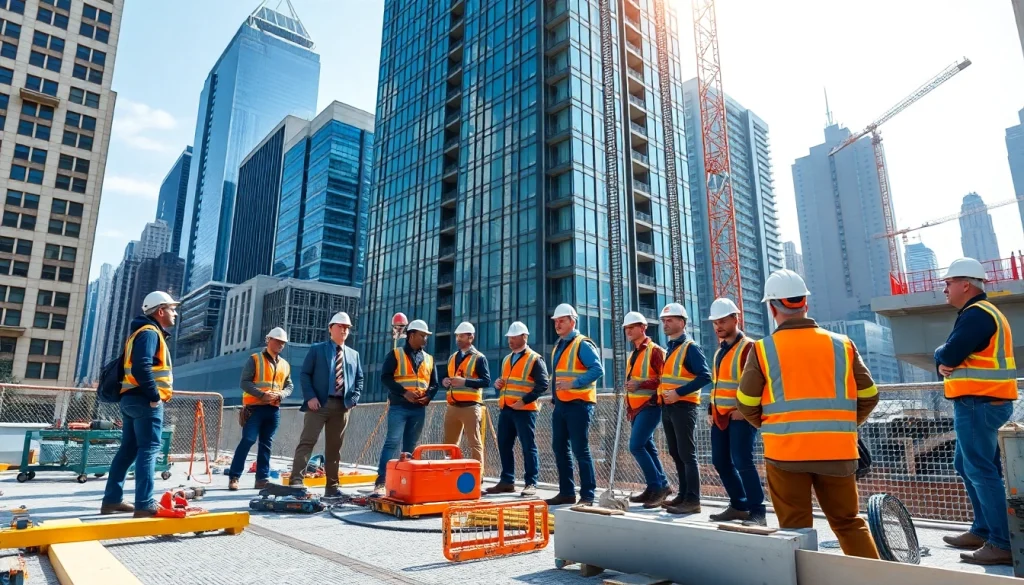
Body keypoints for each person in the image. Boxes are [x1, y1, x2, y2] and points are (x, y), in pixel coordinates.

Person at [737, 269, 880, 559]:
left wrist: (771, 427)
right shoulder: (843, 344)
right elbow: (869, 395)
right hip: (837, 450)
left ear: (772, 307)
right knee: (849, 523)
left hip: (786, 452)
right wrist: (844, 425)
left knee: (794, 529)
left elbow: (746, 401)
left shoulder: (763, 349)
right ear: (805, 304)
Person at [935, 257, 1017, 566]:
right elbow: (951, 355)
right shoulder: (982, 313)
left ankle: (1001, 542)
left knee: (980, 470)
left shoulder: (976, 314)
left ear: (965, 284)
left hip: (978, 403)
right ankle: (983, 529)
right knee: (968, 465)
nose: (944, 288)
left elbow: (950, 352)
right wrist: (944, 357)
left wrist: (940, 355)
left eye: (948, 283)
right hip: (984, 402)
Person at [101, 291, 178, 518]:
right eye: (172, 309)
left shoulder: (141, 333)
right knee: (149, 449)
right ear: (160, 311)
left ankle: (112, 500)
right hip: (145, 401)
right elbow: (141, 367)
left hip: (131, 399)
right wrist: (154, 396)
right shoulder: (149, 333)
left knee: (128, 450)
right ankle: (144, 503)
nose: (175, 313)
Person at [706, 297, 766, 526]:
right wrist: (711, 409)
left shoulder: (749, 347)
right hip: (720, 416)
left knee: (742, 460)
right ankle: (739, 505)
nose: (718, 326)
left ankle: (757, 511)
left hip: (740, 416)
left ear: (735, 319)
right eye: (715, 322)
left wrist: (745, 411)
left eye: (722, 321)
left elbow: (758, 383)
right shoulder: (719, 351)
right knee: (720, 461)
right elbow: (717, 384)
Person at [289, 312, 362, 497]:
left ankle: (332, 487)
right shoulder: (317, 350)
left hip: (342, 406)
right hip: (319, 405)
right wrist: (311, 397)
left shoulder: (354, 355)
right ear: (331, 328)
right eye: (340, 326)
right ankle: (296, 480)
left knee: (334, 447)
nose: (344, 330)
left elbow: (359, 379)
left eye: (347, 328)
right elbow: (305, 374)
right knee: (308, 441)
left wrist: (354, 398)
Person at [546, 304, 604, 506]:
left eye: (561, 321)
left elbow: (597, 369)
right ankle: (567, 492)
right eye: (555, 321)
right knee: (559, 447)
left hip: (579, 404)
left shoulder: (582, 344)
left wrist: (574, 384)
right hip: (562, 405)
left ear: (572, 321)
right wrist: (555, 397)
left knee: (580, 449)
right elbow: (557, 376)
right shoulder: (559, 345)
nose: (557, 324)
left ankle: (588, 496)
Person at [374, 319, 439, 496]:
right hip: (399, 407)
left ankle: (406, 482)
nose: (425, 339)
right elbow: (386, 378)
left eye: (426, 336)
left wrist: (428, 397)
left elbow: (434, 384)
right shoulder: (395, 354)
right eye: (422, 335)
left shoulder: (429, 359)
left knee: (410, 445)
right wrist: (404, 393)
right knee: (392, 443)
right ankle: (381, 481)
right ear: (411, 335)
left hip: (419, 409)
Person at [657, 302, 712, 515]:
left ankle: (693, 500)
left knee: (687, 454)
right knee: (676, 452)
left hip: (683, 406)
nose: (665, 324)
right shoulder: (672, 348)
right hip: (669, 407)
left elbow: (705, 376)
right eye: (663, 320)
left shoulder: (690, 347)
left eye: (669, 320)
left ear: (682, 322)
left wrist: (679, 392)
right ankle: (683, 495)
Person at [485, 321, 549, 497]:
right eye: (509, 338)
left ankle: (531, 483)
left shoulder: (535, 359)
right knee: (504, 444)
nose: (510, 341)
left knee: (528, 446)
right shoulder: (507, 359)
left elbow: (543, 384)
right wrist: (499, 383)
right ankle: (507, 481)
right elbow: (507, 381)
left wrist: (524, 400)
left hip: (525, 410)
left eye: (514, 337)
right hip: (506, 408)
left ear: (524, 337)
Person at [228, 327, 293, 491]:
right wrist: (262, 395)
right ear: (268, 340)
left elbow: (289, 385)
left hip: (273, 410)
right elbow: (244, 382)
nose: (280, 345)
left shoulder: (285, 365)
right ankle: (234, 476)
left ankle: (262, 479)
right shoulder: (255, 359)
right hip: (255, 409)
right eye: (278, 341)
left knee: (266, 444)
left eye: (283, 343)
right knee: (248, 440)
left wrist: (281, 395)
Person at [621, 311, 672, 508]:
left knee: (636, 446)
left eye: (632, 327)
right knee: (647, 446)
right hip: (636, 408)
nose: (629, 330)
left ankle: (658, 487)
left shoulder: (655, 351)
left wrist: (641, 384)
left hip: (650, 405)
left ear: (643, 328)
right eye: (627, 328)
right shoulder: (634, 353)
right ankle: (658, 486)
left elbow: (665, 379)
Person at [442, 321, 491, 462]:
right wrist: (445, 381)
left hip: (470, 407)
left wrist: (465, 382)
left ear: (470, 337)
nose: (458, 339)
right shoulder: (452, 357)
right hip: (452, 407)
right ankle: (449, 472)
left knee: (474, 443)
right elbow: (446, 376)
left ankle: (477, 475)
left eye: (461, 336)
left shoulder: (479, 358)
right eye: (457, 336)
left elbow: (486, 381)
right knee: (449, 444)